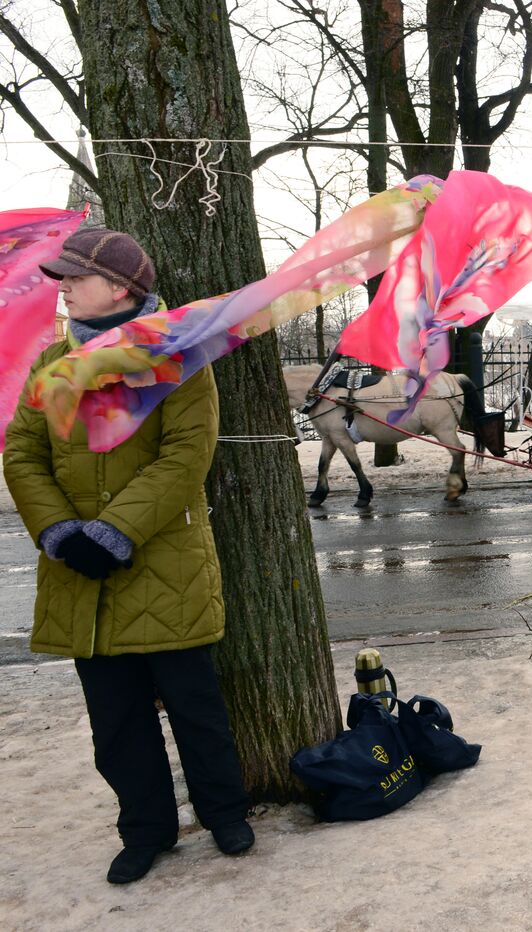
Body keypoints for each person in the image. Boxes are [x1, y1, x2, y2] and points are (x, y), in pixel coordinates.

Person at [3, 228, 254, 885]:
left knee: (197, 710)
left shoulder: (179, 359)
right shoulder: (50, 365)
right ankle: (145, 830)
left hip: (165, 567)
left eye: (75, 278)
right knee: (115, 724)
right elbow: (23, 454)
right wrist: (59, 531)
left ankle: (225, 812)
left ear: (119, 288)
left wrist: (114, 531)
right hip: (79, 576)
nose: (62, 287)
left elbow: (185, 458)